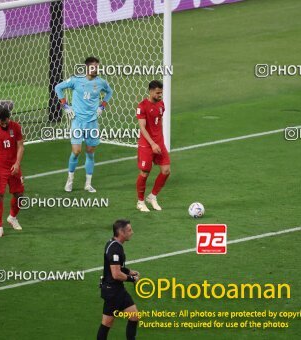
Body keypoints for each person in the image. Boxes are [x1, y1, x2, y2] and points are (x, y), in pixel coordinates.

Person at [55, 56, 113, 193]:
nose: (96, 69)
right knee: (76, 151)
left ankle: (88, 184)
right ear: (87, 68)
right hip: (77, 121)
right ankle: (69, 180)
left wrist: (102, 106)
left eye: (98, 67)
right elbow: (58, 87)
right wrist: (65, 106)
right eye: (93, 67)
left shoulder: (101, 82)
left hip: (92, 122)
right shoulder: (76, 80)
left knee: (90, 152)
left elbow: (109, 92)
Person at [97, 220, 140, 340]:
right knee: (106, 323)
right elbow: (115, 274)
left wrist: (128, 271)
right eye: (129, 230)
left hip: (117, 289)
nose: (132, 232)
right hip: (113, 292)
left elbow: (115, 268)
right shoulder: (115, 249)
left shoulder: (113, 243)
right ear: (121, 232)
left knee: (134, 316)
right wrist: (132, 278)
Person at [0, 108, 24, 237]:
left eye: (6, 121)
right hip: (0, 168)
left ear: (9, 117)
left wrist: (17, 163)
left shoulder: (16, 127)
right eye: (2, 122)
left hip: (14, 167)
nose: (4, 124)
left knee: (20, 196)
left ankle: (12, 218)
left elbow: (21, 146)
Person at [135, 80, 170, 212]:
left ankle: (152, 196)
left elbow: (159, 121)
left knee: (166, 170)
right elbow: (142, 127)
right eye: (157, 93)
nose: (160, 95)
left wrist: (160, 140)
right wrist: (152, 143)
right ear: (150, 91)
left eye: (161, 92)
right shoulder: (142, 106)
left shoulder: (161, 104)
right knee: (144, 173)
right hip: (147, 145)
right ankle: (140, 202)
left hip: (158, 143)